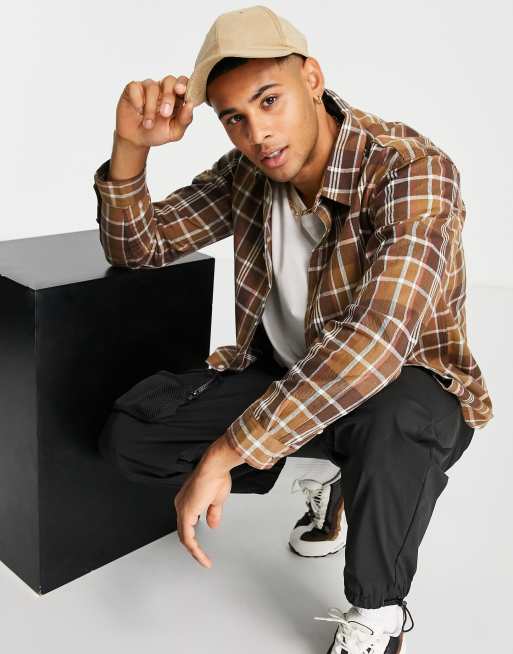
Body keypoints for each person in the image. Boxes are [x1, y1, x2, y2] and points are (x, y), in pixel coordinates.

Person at [92, 6, 494, 653]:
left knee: (393, 419)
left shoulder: (410, 170)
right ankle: (341, 473)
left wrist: (227, 452)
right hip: (286, 379)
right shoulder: (247, 175)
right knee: (133, 438)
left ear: (311, 78)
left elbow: (376, 342)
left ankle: (380, 609)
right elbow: (138, 249)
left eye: (268, 100)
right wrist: (130, 148)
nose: (257, 133)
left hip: (402, 387)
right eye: (234, 118)